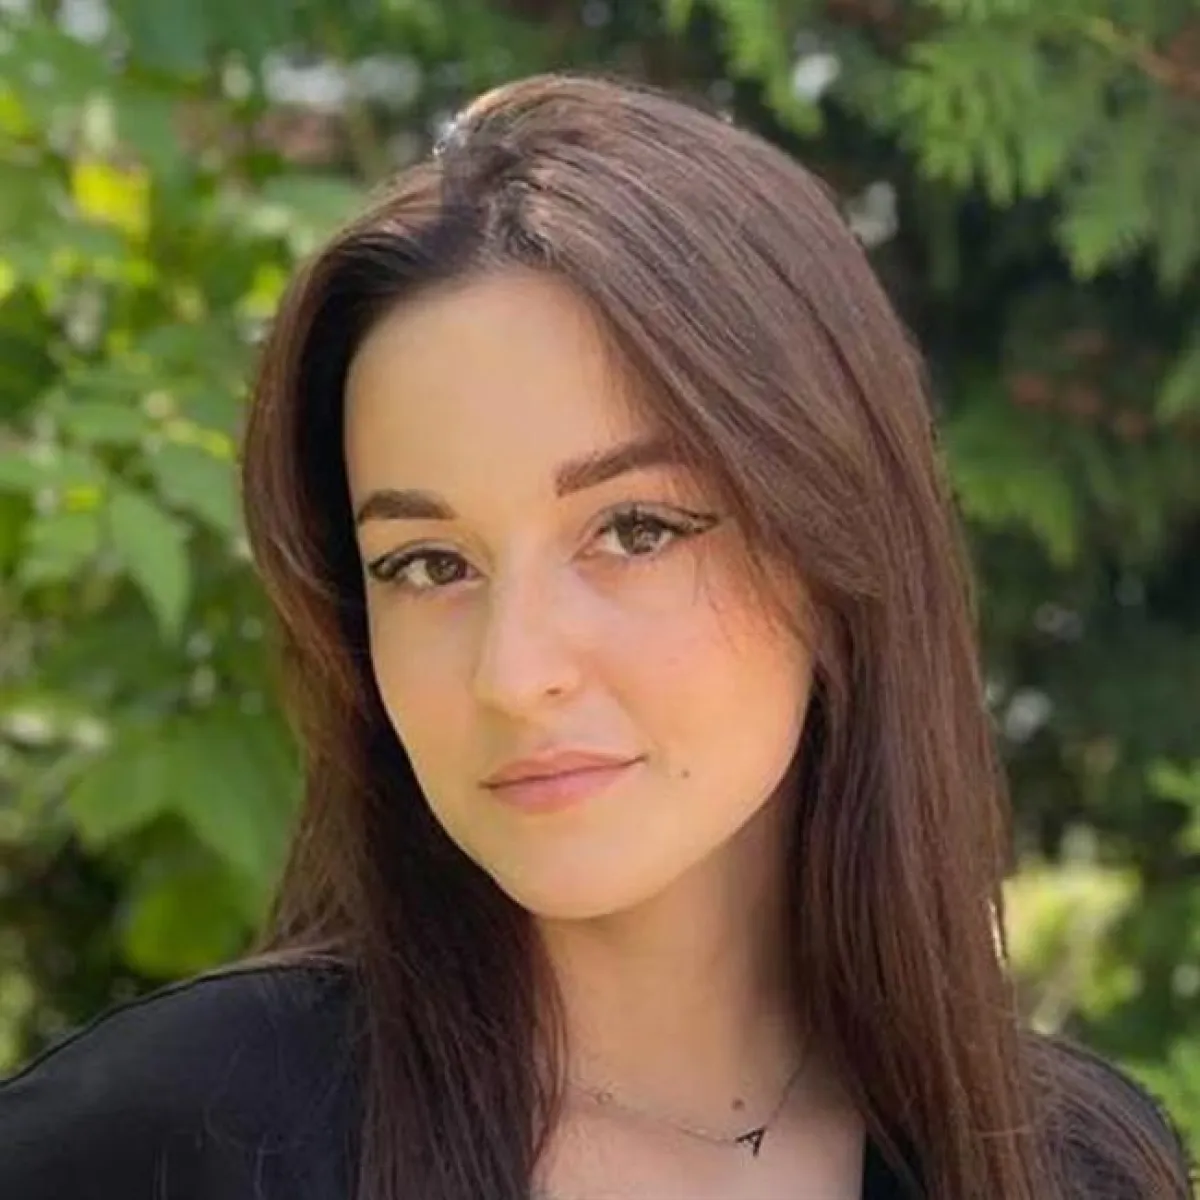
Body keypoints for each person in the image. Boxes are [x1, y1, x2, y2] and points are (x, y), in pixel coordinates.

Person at [0, 72, 1193, 1200]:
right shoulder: (154, 1148)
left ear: (836, 545)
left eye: (635, 530)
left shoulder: (1067, 1165)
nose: (515, 673)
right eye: (427, 564)